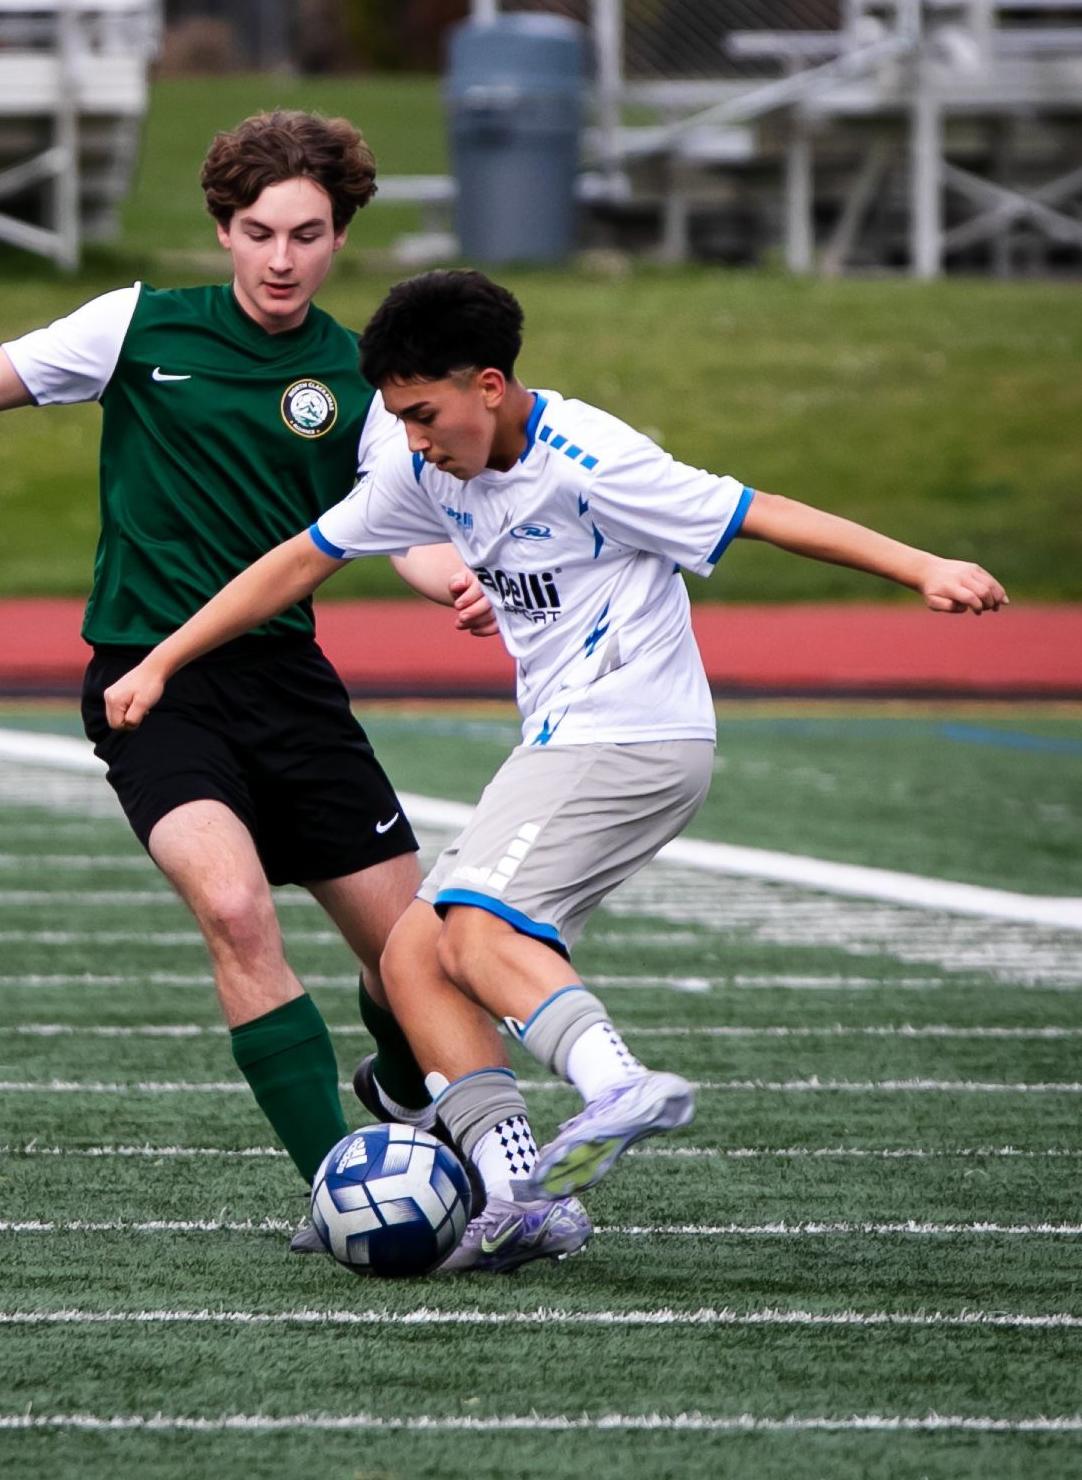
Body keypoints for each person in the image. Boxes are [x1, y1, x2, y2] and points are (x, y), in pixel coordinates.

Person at [103, 267, 1009, 1265]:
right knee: (412, 958)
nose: (411, 439)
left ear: (489, 385)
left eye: (423, 414)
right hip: (567, 741)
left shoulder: (592, 461)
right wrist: (163, 659)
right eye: (397, 419)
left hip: (629, 733)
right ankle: (516, 1196)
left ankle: (616, 1083)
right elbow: (301, 558)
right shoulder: (425, 468)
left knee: (475, 932)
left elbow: (760, 511)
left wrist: (923, 566)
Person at [0, 114, 563, 1262]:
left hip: (287, 687)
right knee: (236, 911)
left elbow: (395, 527)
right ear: (223, 230)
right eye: (259, 232)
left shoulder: (359, 381)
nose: (282, 259)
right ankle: (340, 1192)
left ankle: (405, 1091)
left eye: (307, 234)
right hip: (149, 684)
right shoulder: (137, 326)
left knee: (413, 954)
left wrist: (458, 576)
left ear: (340, 237)